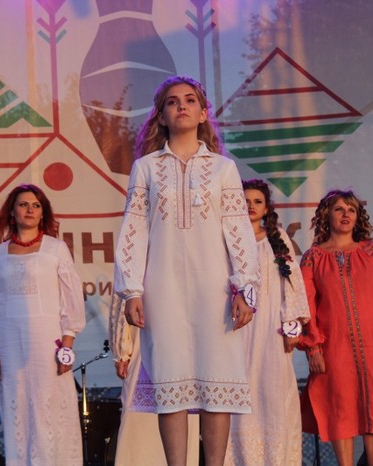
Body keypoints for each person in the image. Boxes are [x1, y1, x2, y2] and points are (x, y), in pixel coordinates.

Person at [114, 75, 259, 466]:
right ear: (161, 115)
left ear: (203, 112)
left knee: (217, 382)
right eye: (172, 101)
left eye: (190, 100)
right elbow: (133, 230)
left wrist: (245, 288)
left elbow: (238, 230)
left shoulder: (223, 169)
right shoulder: (145, 168)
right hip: (163, 290)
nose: (182, 106)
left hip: (215, 290)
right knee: (170, 383)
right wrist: (132, 290)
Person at [0, 184, 86, 466]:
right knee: (18, 414)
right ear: (12, 212)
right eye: (23, 204)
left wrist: (66, 347)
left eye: (36, 205)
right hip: (10, 347)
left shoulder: (55, 249)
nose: (30, 210)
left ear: (43, 213)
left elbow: (71, 297)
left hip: (47, 345)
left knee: (51, 414)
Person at [223, 179, 310, 465]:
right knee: (240, 389)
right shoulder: (227, 237)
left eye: (257, 201)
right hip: (236, 328)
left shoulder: (277, 238)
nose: (250, 206)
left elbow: (292, 284)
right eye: (245, 201)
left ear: (266, 208)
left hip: (271, 328)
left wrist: (292, 325)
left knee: (272, 391)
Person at [299, 189, 373, 466]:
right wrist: (313, 347)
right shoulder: (314, 257)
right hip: (334, 348)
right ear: (326, 215)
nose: (346, 215)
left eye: (351, 210)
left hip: (371, 344)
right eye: (339, 209)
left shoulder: (370, 251)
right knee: (340, 410)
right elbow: (306, 306)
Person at [109, 292, 200, 466]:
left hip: (182, 336)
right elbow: (124, 291)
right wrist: (121, 349)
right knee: (139, 420)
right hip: (146, 330)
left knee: (181, 406)